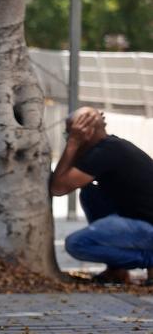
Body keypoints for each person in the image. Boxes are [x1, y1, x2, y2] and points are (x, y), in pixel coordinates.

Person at [50, 106, 153, 285]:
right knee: (90, 194)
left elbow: (58, 187)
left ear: (87, 132)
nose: (68, 138)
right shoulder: (108, 148)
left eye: (70, 133)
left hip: (148, 228)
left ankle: (150, 260)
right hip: (140, 222)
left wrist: (74, 142)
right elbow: (67, 179)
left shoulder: (105, 153)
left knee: (76, 244)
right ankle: (117, 271)